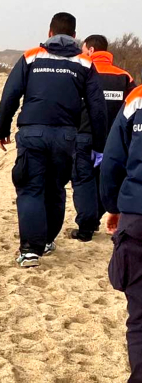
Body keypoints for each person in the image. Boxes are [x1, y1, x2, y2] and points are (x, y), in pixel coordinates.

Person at [0, 12, 107, 267]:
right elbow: (97, 108)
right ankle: (46, 241)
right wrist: (99, 146)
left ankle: (30, 250)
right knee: (55, 188)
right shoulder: (84, 63)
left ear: (49, 33)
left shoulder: (31, 56)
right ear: (75, 36)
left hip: (32, 133)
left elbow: (10, 95)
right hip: (66, 136)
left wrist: (2, 130)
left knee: (31, 187)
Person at [101, 85, 142, 383]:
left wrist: (113, 206)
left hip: (138, 218)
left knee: (141, 317)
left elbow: (112, 160)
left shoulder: (137, 100)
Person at [71, 35, 136, 241]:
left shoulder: (81, 72)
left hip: (83, 134)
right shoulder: (124, 76)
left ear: (90, 50)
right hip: (113, 141)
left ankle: (86, 226)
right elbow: (134, 109)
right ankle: (96, 217)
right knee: (104, 179)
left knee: (82, 180)